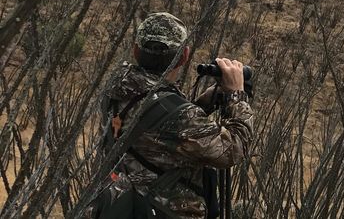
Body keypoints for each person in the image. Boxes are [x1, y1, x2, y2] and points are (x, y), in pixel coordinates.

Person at [91, 12, 253, 218]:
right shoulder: (177, 115)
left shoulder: (117, 89)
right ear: (184, 56)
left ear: (135, 50)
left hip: (122, 207)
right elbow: (233, 150)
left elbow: (159, 132)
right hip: (162, 211)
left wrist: (203, 103)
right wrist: (236, 95)